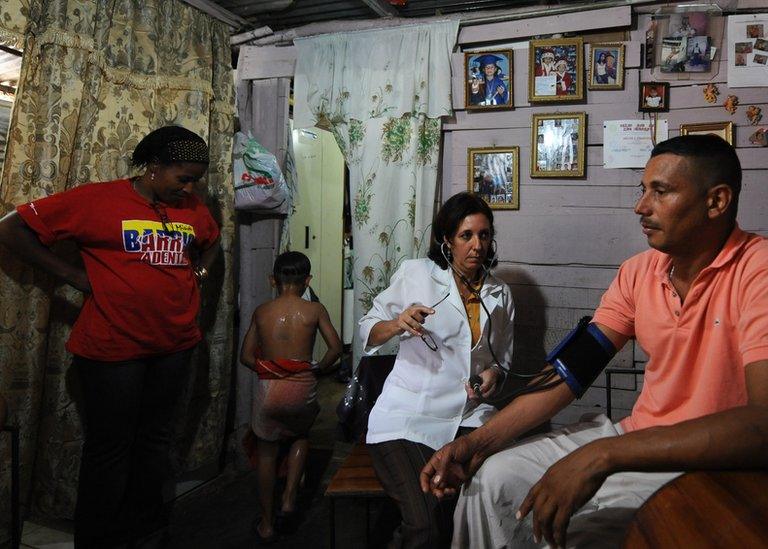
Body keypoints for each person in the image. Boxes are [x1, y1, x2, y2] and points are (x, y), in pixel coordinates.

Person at [420, 135, 768, 548]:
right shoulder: (639, 273)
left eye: (660, 191)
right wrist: (476, 443)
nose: (641, 206)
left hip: (711, 462)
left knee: (580, 534)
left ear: (716, 202)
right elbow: (569, 374)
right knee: (490, 480)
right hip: (635, 437)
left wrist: (604, 455)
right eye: (642, 190)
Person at [0, 125, 221, 548]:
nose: (191, 188)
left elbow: (211, 242)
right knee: (111, 448)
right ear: (154, 167)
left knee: (155, 442)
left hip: (175, 345)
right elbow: (11, 229)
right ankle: (99, 537)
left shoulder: (191, 207)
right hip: (113, 349)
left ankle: (145, 527)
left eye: (195, 179)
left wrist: (203, 271)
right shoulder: (97, 200)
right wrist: (73, 277)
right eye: (184, 178)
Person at [359, 192, 515, 548]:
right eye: (466, 235)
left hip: (470, 417)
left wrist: (493, 376)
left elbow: (502, 361)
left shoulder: (499, 293)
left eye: (485, 235)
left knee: (489, 508)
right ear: (447, 240)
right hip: (409, 416)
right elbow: (367, 329)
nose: (478, 245)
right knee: (427, 523)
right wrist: (398, 323)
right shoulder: (417, 274)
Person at [239, 250, 342, 543]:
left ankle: (267, 524)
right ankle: (289, 498)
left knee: (267, 452)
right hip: (302, 387)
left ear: (273, 280)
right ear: (307, 280)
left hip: (270, 388)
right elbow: (335, 349)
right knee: (300, 436)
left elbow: (246, 357)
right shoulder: (315, 310)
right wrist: (318, 370)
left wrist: (271, 369)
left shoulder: (262, 311)